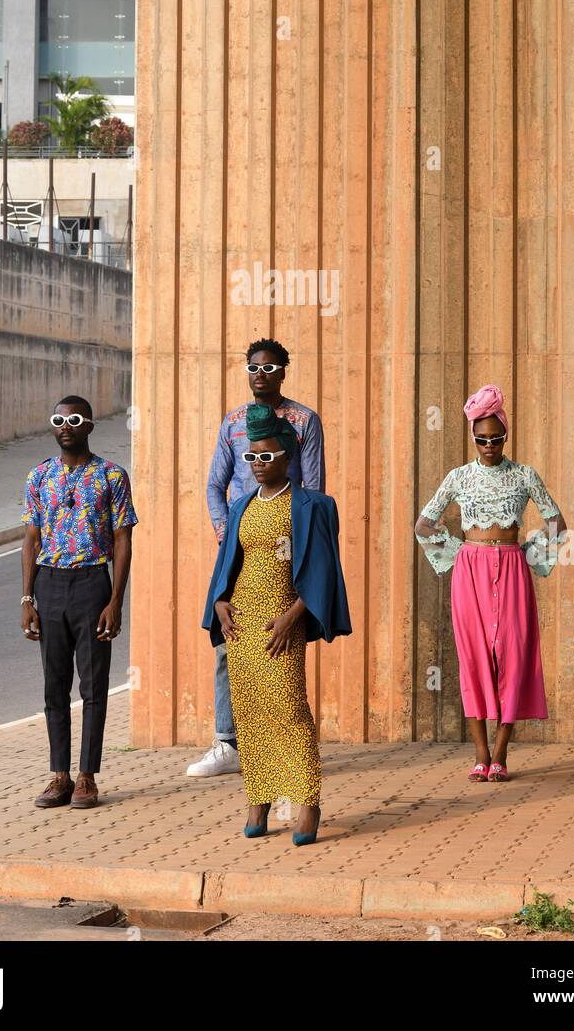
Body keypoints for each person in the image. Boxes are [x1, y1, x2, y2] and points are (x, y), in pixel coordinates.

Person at [202, 402, 350, 844]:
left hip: (283, 619)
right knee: (249, 713)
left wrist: (293, 617)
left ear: (287, 456)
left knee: (289, 708)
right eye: (252, 457)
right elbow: (229, 562)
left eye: (267, 456)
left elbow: (323, 572)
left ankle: (308, 802)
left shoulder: (313, 506)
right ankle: (259, 798)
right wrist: (221, 602)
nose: (259, 464)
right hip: (242, 622)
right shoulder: (242, 504)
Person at [187, 339, 326, 778]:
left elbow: (315, 487)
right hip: (240, 542)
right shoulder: (232, 423)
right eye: (252, 368)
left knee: (284, 635)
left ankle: (288, 742)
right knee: (230, 634)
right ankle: (228, 742)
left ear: (284, 371)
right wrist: (228, 533)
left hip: (285, 541)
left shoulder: (304, 420)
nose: (259, 375)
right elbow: (214, 484)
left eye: (268, 368)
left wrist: (302, 541)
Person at [415, 384, 567, 782]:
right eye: (481, 439)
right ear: (473, 438)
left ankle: (501, 754)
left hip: (513, 569)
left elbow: (557, 522)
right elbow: (424, 524)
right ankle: (481, 756)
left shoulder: (524, 475)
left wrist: (530, 556)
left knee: (513, 658)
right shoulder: (459, 477)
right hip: (470, 570)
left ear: (505, 434)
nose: (488, 445)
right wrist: (456, 554)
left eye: (495, 438)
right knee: (476, 657)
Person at [21, 396, 137, 810]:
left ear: (88, 425)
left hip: (92, 583)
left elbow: (123, 538)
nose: (65, 426)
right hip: (49, 583)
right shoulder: (38, 476)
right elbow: (31, 538)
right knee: (54, 686)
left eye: (73, 419)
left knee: (93, 686)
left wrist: (115, 599)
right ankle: (59, 776)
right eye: (58, 419)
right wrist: (27, 597)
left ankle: (87, 777)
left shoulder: (111, 476)